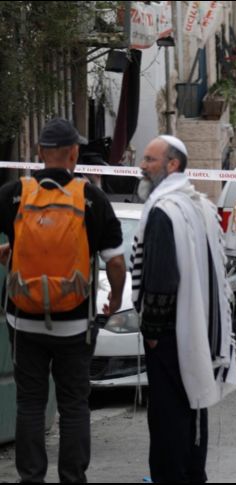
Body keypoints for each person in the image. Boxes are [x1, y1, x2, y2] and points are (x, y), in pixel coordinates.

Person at [0, 118, 125, 483]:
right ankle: (73, 478)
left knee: (29, 403)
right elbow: (115, 263)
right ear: (74, 154)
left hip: (24, 320)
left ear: (39, 154)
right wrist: (115, 299)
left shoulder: (13, 195)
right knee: (73, 405)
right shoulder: (91, 198)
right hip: (75, 323)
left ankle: (31, 478)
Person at [133, 135, 236, 482]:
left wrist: (151, 331)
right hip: (200, 326)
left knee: (167, 414)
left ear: (172, 164)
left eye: (149, 159)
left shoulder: (165, 210)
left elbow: (161, 279)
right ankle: (193, 474)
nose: (142, 166)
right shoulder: (200, 205)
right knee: (194, 404)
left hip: (170, 333)